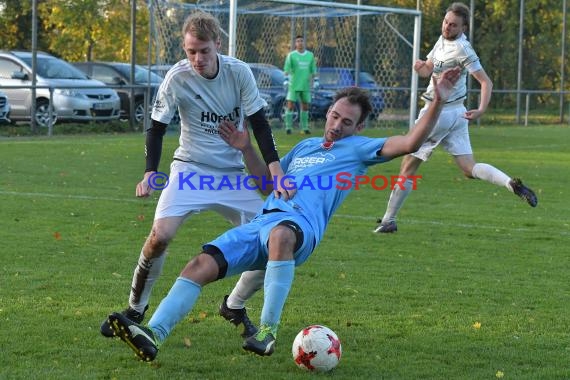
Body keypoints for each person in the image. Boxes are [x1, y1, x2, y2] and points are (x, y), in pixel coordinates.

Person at [106, 67, 462, 362]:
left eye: (347, 122)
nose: (337, 125)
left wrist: (439, 100)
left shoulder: (361, 150)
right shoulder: (306, 147)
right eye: (335, 116)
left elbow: (411, 142)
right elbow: (265, 184)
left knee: (280, 236)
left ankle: (267, 331)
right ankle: (153, 333)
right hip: (264, 220)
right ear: (329, 113)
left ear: (359, 128)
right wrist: (246, 147)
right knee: (198, 265)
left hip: (299, 229)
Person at [99, 10, 292, 338]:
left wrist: (275, 169)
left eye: (204, 51)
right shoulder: (177, 78)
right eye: (191, 52)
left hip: (232, 174)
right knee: (160, 236)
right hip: (190, 170)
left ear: (218, 44)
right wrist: (150, 172)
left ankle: (234, 304)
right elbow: (156, 128)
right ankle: (135, 307)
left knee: (274, 240)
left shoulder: (239, 73)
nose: (198, 59)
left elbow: (259, 123)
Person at [374, 2, 537, 234]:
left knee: (407, 167)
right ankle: (510, 184)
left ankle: (389, 220)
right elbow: (427, 70)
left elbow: (485, 82)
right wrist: (419, 67)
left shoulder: (463, 49)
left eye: (453, 25)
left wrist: (481, 109)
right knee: (468, 169)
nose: (447, 27)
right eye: (446, 22)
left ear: (464, 27)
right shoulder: (443, 40)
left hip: (438, 113)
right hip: (456, 114)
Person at [283, 35, 318, 135]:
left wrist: (316, 81)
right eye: (298, 41)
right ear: (295, 43)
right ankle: (288, 128)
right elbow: (287, 69)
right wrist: (286, 79)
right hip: (293, 85)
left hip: (305, 85)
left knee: (305, 106)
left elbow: (313, 69)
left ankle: (305, 128)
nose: (300, 43)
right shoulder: (291, 55)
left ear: (304, 42)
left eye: (301, 41)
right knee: (290, 106)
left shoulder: (310, 55)